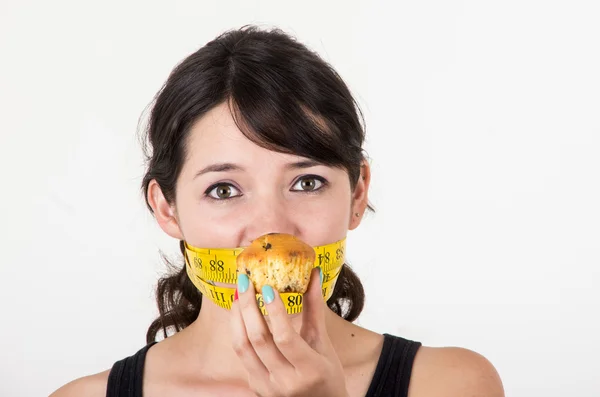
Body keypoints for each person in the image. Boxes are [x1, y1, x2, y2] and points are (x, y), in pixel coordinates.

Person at [51, 26, 504, 397]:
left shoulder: (453, 384)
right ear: (166, 209)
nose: (271, 228)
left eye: (307, 183)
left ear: (357, 193)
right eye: (224, 189)